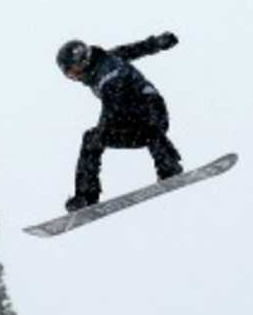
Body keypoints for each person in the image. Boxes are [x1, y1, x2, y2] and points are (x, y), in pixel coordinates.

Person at [56, 32, 184, 212]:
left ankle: (168, 165)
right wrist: (157, 43)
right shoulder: (108, 59)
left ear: (84, 61)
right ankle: (86, 197)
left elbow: (112, 107)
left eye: (76, 71)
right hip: (132, 124)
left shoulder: (108, 71)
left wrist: (102, 132)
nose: (76, 78)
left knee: (119, 127)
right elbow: (135, 49)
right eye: (70, 75)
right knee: (91, 139)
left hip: (150, 109)